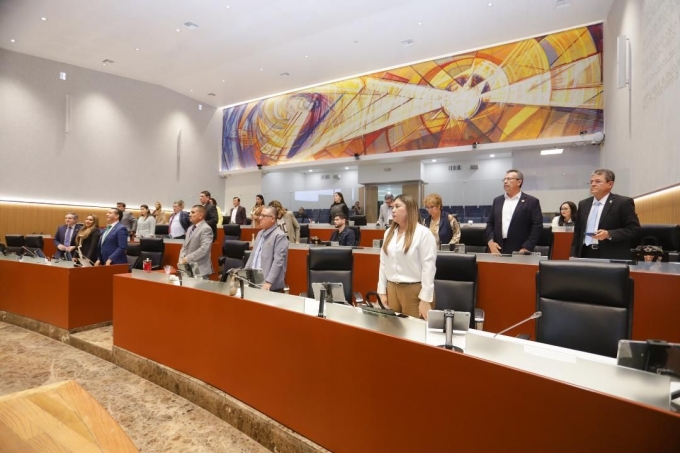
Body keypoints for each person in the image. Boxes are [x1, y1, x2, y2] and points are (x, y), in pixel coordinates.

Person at [377, 194, 436, 319]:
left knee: (415, 329)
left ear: (410, 209)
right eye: (392, 207)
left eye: (397, 206)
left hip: (414, 291)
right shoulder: (389, 233)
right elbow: (383, 264)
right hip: (392, 288)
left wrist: (425, 299)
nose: (393, 210)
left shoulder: (423, 233)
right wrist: (381, 291)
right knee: (392, 328)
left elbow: (429, 268)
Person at [571, 168, 642, 260]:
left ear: (610, 184)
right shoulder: (583, 204)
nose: (593, 184)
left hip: (611, 255)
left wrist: (609, 234)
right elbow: (578, 232)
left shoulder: (622, 203)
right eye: (591, 182)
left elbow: (634, 229)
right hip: (585, 253)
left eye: (597, 181)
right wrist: (573, 254)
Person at [485, 169, 543, 256]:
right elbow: (490, 223)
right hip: (498, 249)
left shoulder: (531, 202)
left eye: (509, 179)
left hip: (520, 250)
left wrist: (527, 247)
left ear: (519, 182)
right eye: (504, 179)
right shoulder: (497, 201)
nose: (505, 181)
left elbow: (537, 226)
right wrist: (490, 242)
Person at [245, 206, 289, 292]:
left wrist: (269, 281)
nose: (260, 218)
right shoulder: (260, 233)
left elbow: (278, 261)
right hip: (254, 281)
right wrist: (244, 274)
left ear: (272, 219)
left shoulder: (279, 235)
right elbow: (253, 256)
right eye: (260, 215)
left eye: (263, 216)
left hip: (269, 286)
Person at [179, 205, 214, 279]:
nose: (190, 215)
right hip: (187, 269)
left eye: (193, 212)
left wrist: (187, 258)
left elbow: (204, 249)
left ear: (200, 215)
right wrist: (181, 259)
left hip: (200, 270)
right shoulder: (190, 228)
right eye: (190, 212)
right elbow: (185, 246)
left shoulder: (206, 229)